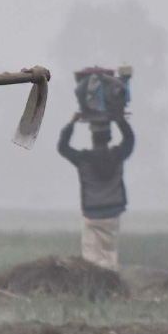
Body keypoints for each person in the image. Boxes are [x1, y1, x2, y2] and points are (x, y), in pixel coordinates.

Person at [57, 112, 134, 270]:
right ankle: (111, 281)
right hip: (113, 212)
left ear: (92, 138)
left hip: (91, 213)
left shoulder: (83, 159)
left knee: (91, 257)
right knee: (110, 253)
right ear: (109, 137)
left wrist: (72, 122)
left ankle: (94, 284)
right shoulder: (117, 155)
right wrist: (119, 119)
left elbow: (62, 147)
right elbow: (130, 140)